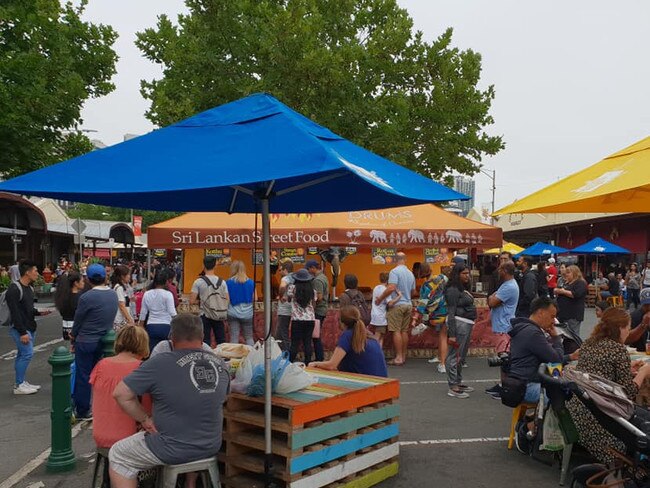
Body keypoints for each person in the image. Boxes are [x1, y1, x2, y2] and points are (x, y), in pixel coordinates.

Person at [109, 314, 229, 488]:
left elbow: (120, 394)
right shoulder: (220, 364)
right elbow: (223, 397)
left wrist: (144, 419)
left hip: (170, 447)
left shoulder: (159, 362)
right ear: (202, 337)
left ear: (171, 337)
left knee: (119, 455)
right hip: (211, 445)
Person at [567, 308, 650, 465]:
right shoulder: (618, 350)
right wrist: (643, 372)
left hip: (581, 410)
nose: (629, 331)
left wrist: (628, 368)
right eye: (628, 327)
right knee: (643, 415)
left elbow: (600, 373)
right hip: (603, 420)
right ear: (620, 328)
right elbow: (629, 391)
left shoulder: (589, 344)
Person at [508, 296, 576, 453]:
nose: (553, 321)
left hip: (519, 381)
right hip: (527, 385)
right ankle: (527, 429)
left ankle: (531, 422)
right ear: (540, 312)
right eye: (552, 316)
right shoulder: (533, 333)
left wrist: (570, 357)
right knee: (563, 397)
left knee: (560, 391)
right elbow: (555, 359)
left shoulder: (524, 328)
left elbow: (550, 359)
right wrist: (557, 339)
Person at [90, 326, 151, 449]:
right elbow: (148, 407)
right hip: (130, 437)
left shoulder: (101, 365)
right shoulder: (142, 368)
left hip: (101, 435)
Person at [71, 264, 118, 419]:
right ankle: (98, 404)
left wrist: (73, 335)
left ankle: (83, 409)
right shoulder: (112, 294)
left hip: (85, 340)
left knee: (83, 375)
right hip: (103, 340)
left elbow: (78, 320)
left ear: (88, 279)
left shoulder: (86, 297)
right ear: (105, 277)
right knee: (97, 374)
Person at [6, 260, 52, 395]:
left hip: (30, 326)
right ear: (27, 272)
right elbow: (15, 313)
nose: (38, 274)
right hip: (21, 329)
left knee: (22, 355)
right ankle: (19, 385)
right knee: (27, 354)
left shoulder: (29, 288)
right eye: (36, 271)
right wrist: (22, 332)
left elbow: (28, 309)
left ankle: (21, 381)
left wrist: (39, 312)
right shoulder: (14, 289)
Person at [311, 306, 388, 377]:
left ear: (341, 322)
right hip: (382, 382)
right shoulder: (369, 335)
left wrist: (315, 364)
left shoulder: (347, 335)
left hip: (366, 383)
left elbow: (332, 365)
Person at [485, 261, 520, 398]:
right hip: (502, 325)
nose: (498, 272)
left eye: (500, 269)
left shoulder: (509, 287)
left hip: (503, 326)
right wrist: (492, 298)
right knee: (503, 358)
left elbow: (492, 302)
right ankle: (502, 385)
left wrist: (491, 298)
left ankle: (506, 388)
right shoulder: (506, 285)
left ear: (505, 271)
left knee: (504, 358)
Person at [376, 252, 416, 366]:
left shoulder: (394, 272)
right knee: (404, 331)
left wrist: (380, 298)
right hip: (408, 304)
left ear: (395, 260)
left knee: (396, 331)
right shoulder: (410, 273)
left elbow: (391, 288)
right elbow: (413, 291)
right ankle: (403, 356)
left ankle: (398, 357)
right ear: (405, 259)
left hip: (397, 305)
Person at [445, 264, 477, 399]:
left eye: (468, 273)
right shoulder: (452, 289)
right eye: (464, 273)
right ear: (457, 274)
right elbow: (451, 312)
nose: (467, 276)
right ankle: (453, 386)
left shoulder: (461, 288)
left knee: (461, 356)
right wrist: (452, 334)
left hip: (466, 323)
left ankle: (457, 381)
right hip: (459, 324)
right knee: (454, 356)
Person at [416, 264, 450, 371]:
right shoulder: (443, 278)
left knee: (441, 337)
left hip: (434, 315)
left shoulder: (425, 286)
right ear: (431, 270)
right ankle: (440, 358)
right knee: (443, 336)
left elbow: (422, 304)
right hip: (446, 311)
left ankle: (443, 363)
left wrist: (419, 316)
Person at [190, 256, 229, 347]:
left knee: (205, 340)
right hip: (219, 314)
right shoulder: (222, 282)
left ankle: (206, 358)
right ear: (215, 265)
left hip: (204, 314)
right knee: (221, 340)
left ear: (203, 265)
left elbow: (191, 301)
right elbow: (227, 299)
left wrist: (201, 301)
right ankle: (222, 358)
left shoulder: (198, 282)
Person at [139, 272, 177, 352]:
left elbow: (143, 312)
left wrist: (141, 326)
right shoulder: (168, 294)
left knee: (152, 351)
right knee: (167, 351)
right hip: (166, 327)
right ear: (166, 282)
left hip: (151, 326)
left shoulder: (147, 294)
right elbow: (172, 313)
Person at [287, 268, 316, 364]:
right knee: (307, 341)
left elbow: (288, 299)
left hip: (297, 319)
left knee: (295, 342)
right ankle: (308, 362)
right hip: (310, 319)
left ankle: (290, 362)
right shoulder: (312, 291)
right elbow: (314, 303)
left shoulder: (292, 288)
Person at [225, 260, 256, 346]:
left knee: (234, 337)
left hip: (233, 313)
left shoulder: (228, 282)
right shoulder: (251, 282)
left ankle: (233, 356)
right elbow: (255, 298)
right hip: (248, 314)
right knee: (249, 337)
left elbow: (227, 300)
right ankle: (251, 356)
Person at [554, 264, 588, 338]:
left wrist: (563, 291)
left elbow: (576, 294)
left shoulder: (580, 282)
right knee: (564, 335)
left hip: (573, 314)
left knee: (573, 335)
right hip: (563, 314)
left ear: (575, 273)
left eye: (568, 272)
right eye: (566, 272)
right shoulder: (567, 282)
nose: (566, 274)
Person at [305, 260, 329, 362]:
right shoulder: (323, 277)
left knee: (315, 336)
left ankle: (319, 358)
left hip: (318, 311)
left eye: (308, 269)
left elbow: (318, 297)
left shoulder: (317, 280)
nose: (308, 271)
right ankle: (319, 358)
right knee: (316, 335)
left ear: (313, 268)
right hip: (322, 310)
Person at [54, 270, 85, 341]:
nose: (84, 283)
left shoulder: (63, 296)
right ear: (76, 283)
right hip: (77, 330)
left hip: (66, 328)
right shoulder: (80, 298)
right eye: (82, 281)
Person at [276, 260, 294, 351]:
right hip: (292, 309)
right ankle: (279, 352)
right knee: (279, 333)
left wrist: (280, 296)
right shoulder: (295, 278)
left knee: (283, 333)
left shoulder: (285, 278)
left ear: (285, 270)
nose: (280, 272)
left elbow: (282, 287)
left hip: (284, 310)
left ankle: (287, 353)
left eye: (281, 270)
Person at [111, 264, 134, 331]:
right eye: (128, 275)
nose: (130, 277)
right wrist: (130, 320)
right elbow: (122, 306)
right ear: (122, 276)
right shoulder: (119, 288)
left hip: (120, 320)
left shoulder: (119, 287)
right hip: (120, 321)